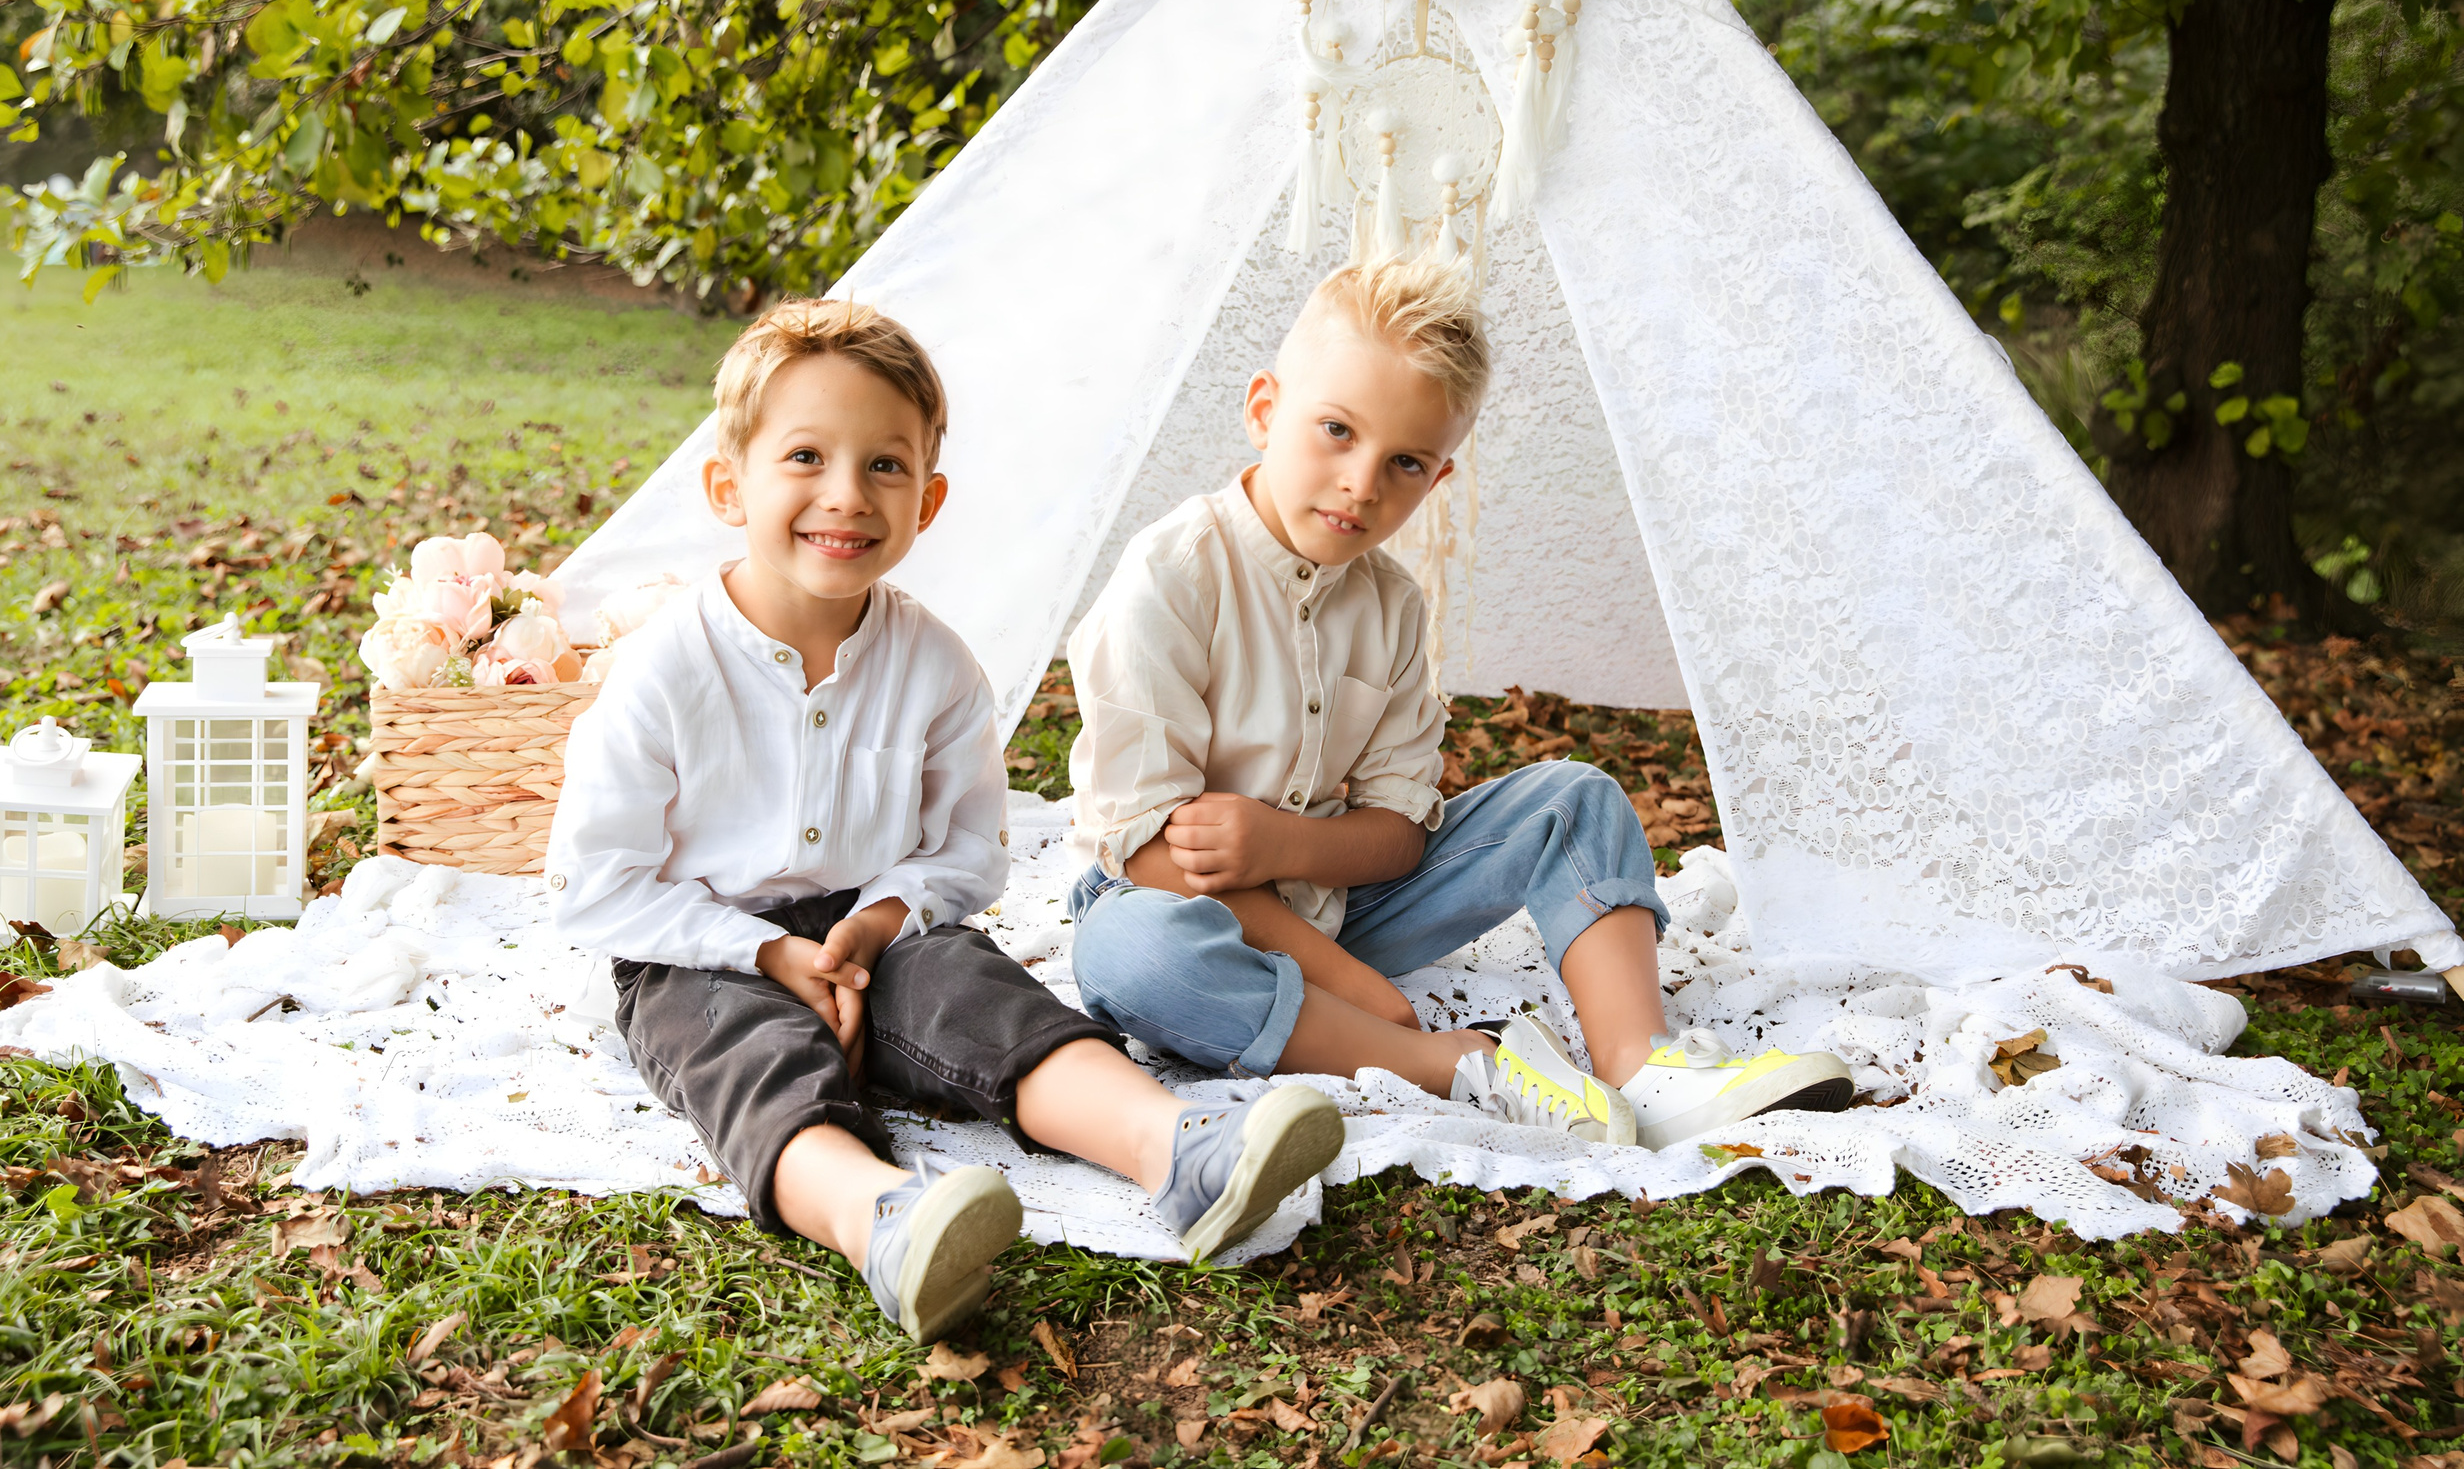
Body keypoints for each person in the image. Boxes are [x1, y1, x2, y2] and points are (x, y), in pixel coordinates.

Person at [545, 300, 1343, 1343]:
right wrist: (766, 952)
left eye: (884, 465)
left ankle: (1178, 1146)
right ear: (726, 485)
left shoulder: (937, 666)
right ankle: (881, 1220)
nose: (846, 494)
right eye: (804, 456)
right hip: (699, 945)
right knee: (744, 1051)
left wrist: (882, 916)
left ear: (928, 498)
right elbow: (595, 883)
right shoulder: (665, 668)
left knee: (980, 992)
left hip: (881, 934)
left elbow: (966, 850)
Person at [1064, 256, 1852, 1149]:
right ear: (1263, 411)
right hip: (1181, 911)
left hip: (1340, 903)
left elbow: (1398, 834)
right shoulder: (1170, 577)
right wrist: (1359, 991)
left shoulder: (1392, 604)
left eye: (1404, 462)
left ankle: (1641, 1062)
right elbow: (1156, 858)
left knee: (1572, 799)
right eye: (1335, 431)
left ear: (1437, 480)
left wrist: (1288, 846)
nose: (1364, 483)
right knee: (1130, 957)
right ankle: (1458, 1065)